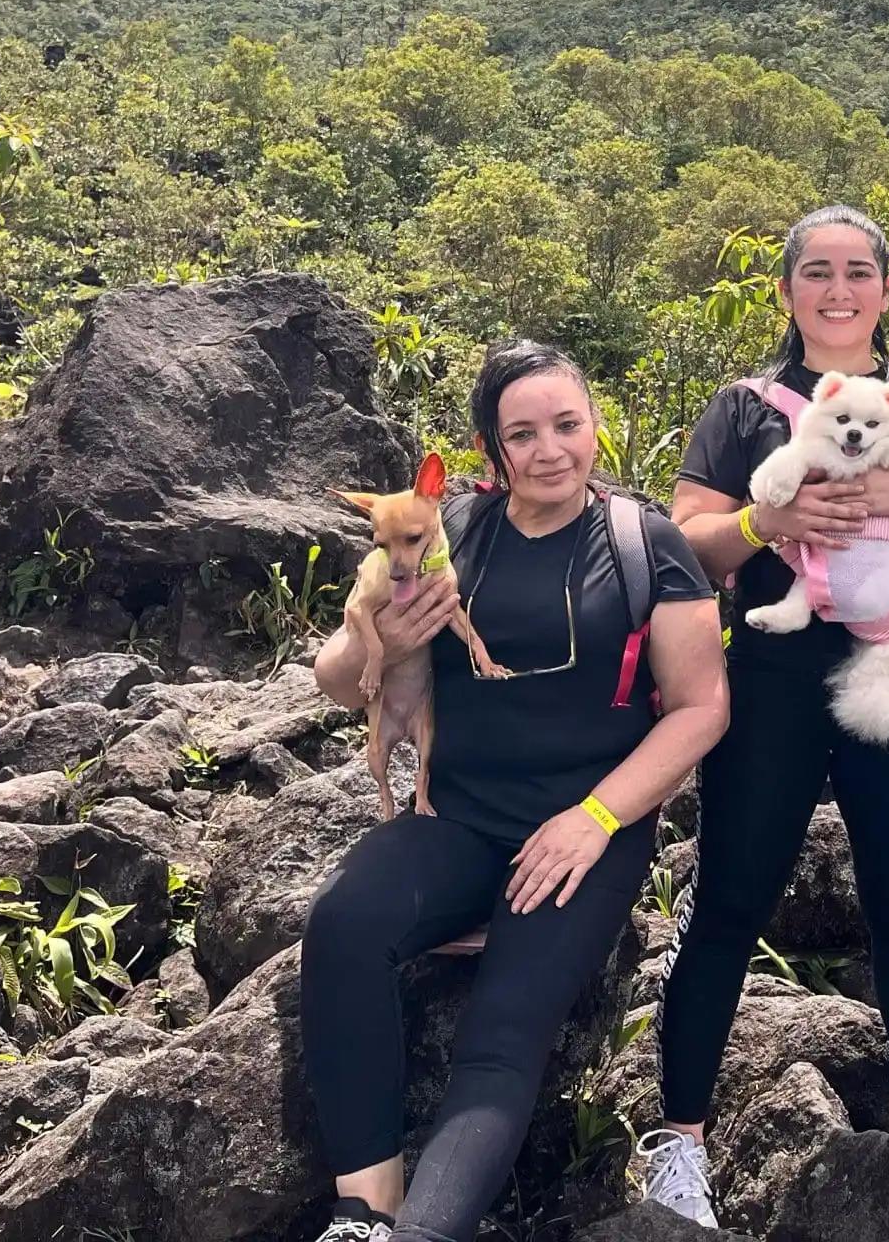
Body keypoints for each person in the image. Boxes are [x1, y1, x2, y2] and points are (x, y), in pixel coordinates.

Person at [642, 205, 889, 1231]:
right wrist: (769, 520)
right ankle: (679, 1141)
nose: (837, 288)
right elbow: (685, 545)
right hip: (770, 672)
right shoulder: (741, 410)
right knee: (727, 902)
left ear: (886, 289)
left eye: (858, 271)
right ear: (786, 291)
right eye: (814, 270)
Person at [300, 339, 728, 1242]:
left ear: (595, 426)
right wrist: (374, 637)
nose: (550, 450)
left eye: (566, 425)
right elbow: (341, 680)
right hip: (457, 817)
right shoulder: (443, 531)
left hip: (587, 830)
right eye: (522, 434)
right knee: (342, 927)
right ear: (493, 452)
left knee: (503, 1029)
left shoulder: (646, 543)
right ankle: (364, 1218)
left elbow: (701, 710)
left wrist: (595, 819)